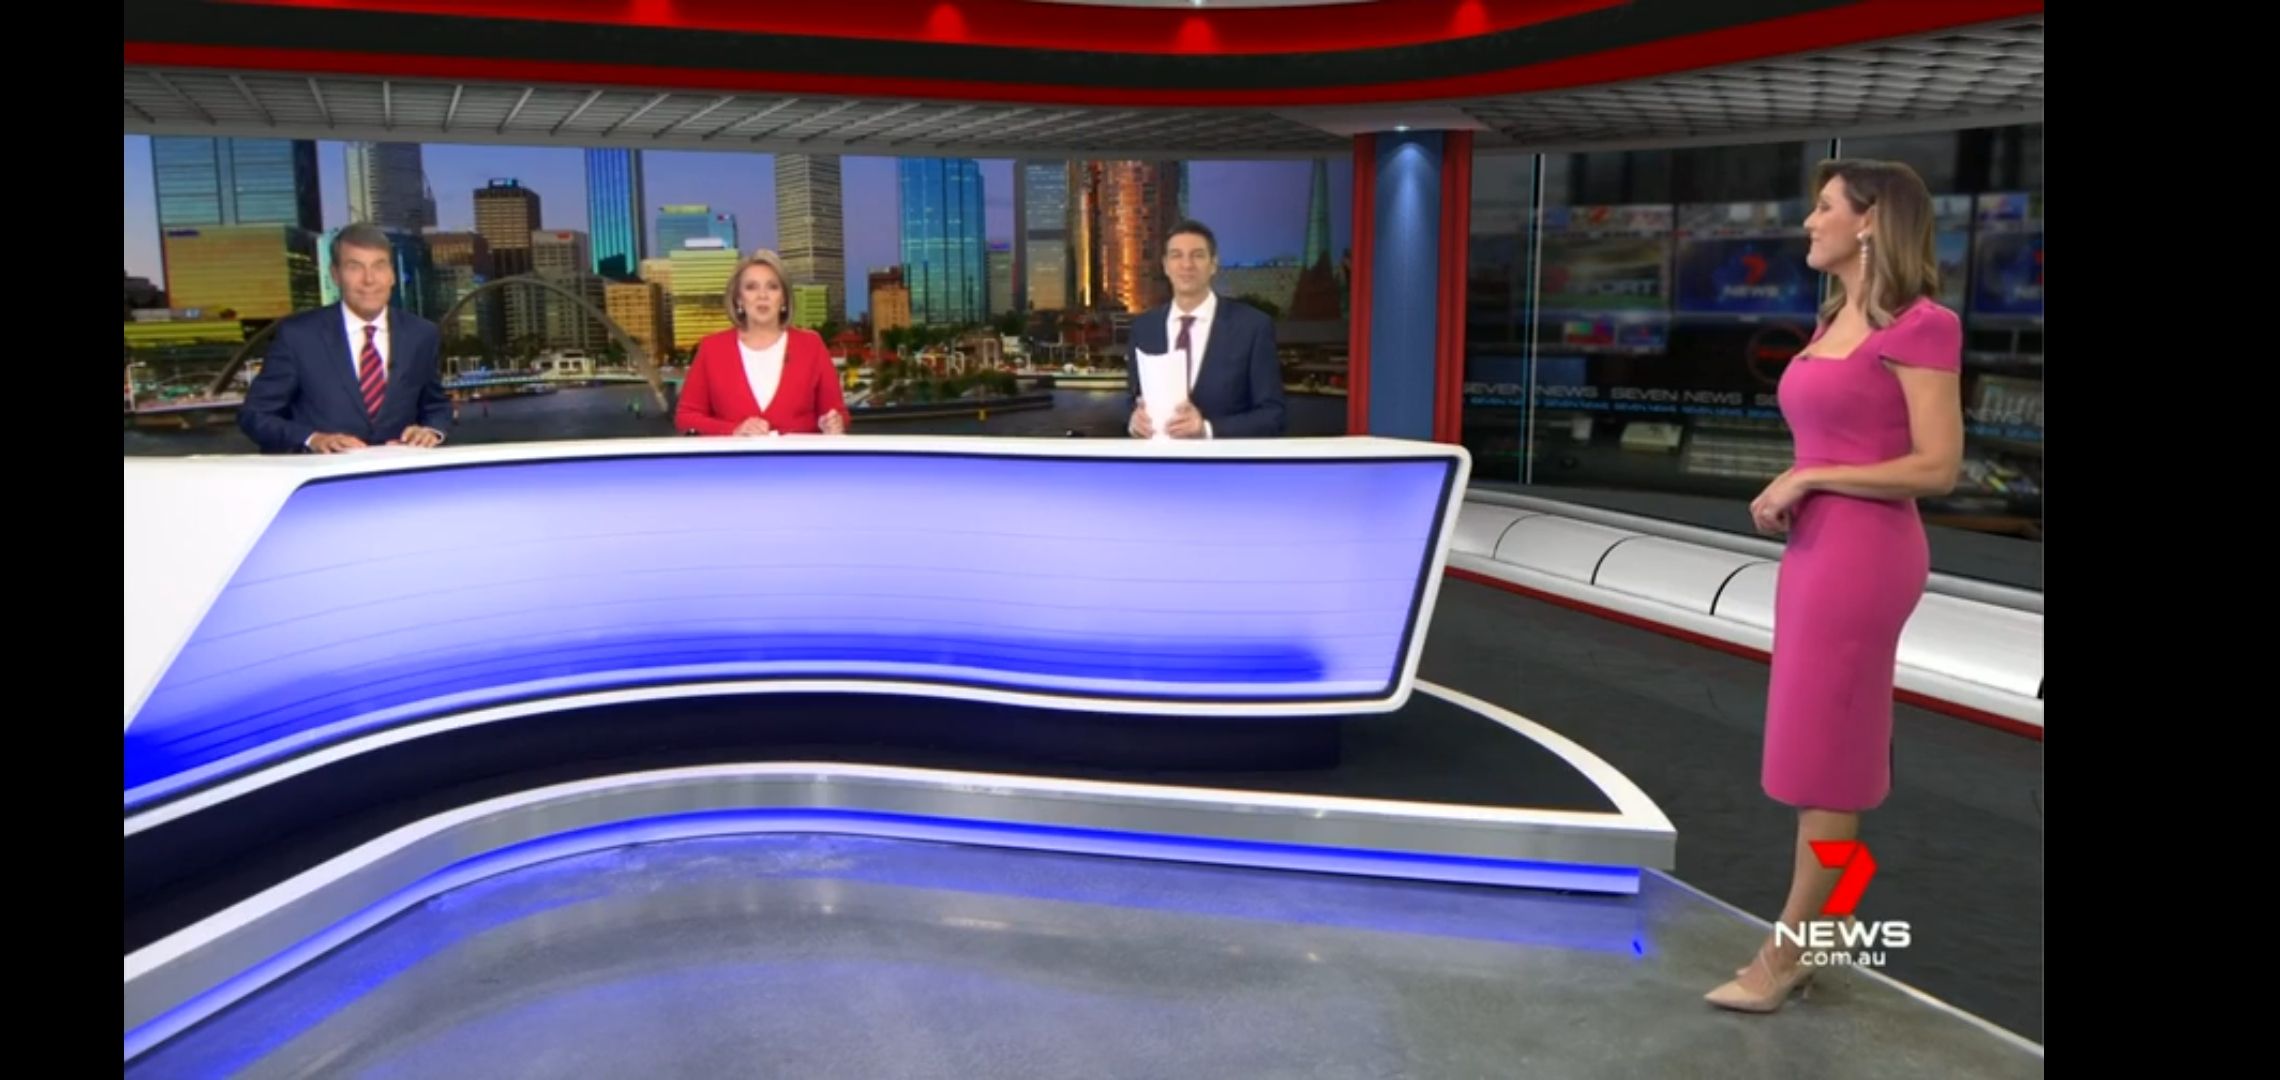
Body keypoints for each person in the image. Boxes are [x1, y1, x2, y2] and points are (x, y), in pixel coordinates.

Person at [1707, 159, 1964, 1013]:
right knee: (1819, 754)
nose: (1808, 222)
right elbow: (1836, 439)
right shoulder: (1834, 318)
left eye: (1823, 208)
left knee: (1830, 763)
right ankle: (1830, 930)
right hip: (1818, 554)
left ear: (1871, 220)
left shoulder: (1924, 326)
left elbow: (1937, 466)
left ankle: (1788, 956)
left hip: (1865, 560)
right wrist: (1800, 481)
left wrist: (1812, 478)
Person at [238, 223, 451, 453]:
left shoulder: (421, 334)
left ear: (392, 275)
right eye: (354, 267)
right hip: (323, 472)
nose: (369, 280)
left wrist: (431, 430)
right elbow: (255, 415)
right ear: (335, 275)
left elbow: (435, 405)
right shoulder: (298, 335)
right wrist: (312, 439)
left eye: (379, 266)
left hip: (397, 472)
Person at [1125, 220, 1285, 438]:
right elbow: (1132, 400)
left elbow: (1273, 416)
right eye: (1176, 255)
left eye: (1198, 255)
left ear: (1214, 264)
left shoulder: (1252, 327)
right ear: (1165, 266)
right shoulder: (1144, 328)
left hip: (1223, 459)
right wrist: (1133, 421)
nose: (1187, 265)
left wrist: (1206, 429)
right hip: (1158, 458)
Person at [676, 251, 849, 436]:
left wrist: (833, 423)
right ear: (739, 299)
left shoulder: (811, 345)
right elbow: (686, 418)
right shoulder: (712, 348)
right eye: (751, 287)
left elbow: (837, 413)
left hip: (799, 455)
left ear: (784, 298)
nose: (762, 295)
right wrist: (733, 431)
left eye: (772, 287)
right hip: (735, 455)